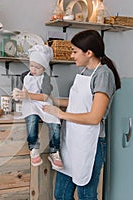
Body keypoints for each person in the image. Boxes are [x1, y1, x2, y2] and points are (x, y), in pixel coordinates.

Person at [43, 29, 121, 199]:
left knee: (86, 194)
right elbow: (79, 104)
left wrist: (61, 114)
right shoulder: (84, 72)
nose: (72, 55)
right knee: (61, 194)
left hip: (90, 143)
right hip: (72, 140)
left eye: (74, 51)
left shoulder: (103, 75)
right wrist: (53, 101)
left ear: (89, 52)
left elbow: (94, 117)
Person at [13, 44, 63, 169]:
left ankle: (54, 151)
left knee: (55, 122)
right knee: (32, 118)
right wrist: (19, 95)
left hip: (42, 102)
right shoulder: (25, 75)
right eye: (31, 66)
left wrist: (27, 94)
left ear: (44, 68)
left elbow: (44, 97)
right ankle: (34, 148)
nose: (33, 70)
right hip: (30, 104)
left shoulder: (45, 78)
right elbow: (24, 90)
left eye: (38, 67)